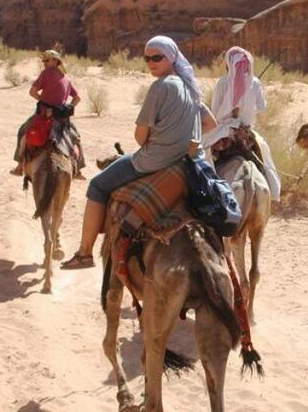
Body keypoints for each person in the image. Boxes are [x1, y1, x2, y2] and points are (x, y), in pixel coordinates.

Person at [60, 36, 216, 270]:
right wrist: (180, 136)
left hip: (153, 161)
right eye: (147, 58)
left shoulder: (160, 86)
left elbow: (140, 138)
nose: (151, 62)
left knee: (97, 185)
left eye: (157, 57)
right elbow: (210, 123)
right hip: (188, 161)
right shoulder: (190, 86)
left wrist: (162, 138)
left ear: (171, 57)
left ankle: (85, 253)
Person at [202, 46, 282, 200]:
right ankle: (274, 191)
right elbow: (262, 107)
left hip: (225, 130)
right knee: (264, 154)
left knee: (202, 151)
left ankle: (207, 191)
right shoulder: (255, 82)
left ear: (229, 64)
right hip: (246, 132)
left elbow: (215, 111)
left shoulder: (223, 82)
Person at [11, 49, 82, 175]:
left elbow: (32, 92)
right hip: (62, 118)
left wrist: (43, 101)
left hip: (44, 115)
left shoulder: (46, 73)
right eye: (44, 60)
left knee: (22, 131)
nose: (44, 62)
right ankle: (80, 169)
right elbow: (77, 98)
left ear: (56, 61)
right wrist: (66, 109)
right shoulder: (67, 78)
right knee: (76, 138)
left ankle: (19, 166)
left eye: (47, 60)